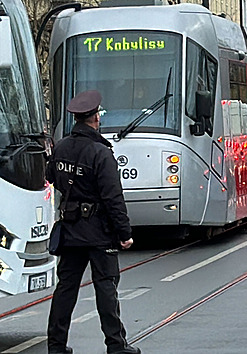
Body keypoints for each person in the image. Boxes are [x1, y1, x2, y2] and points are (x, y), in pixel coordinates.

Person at [46, 90, 141, 354]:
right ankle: (115, 344)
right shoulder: (101, 153)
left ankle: (56, 346)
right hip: (99, 231)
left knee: (66, 288)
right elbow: (113, 197)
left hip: (71, 229)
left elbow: (51, 176)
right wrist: (124, 232)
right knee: (106, 287)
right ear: (95, 118)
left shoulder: (61, 147)